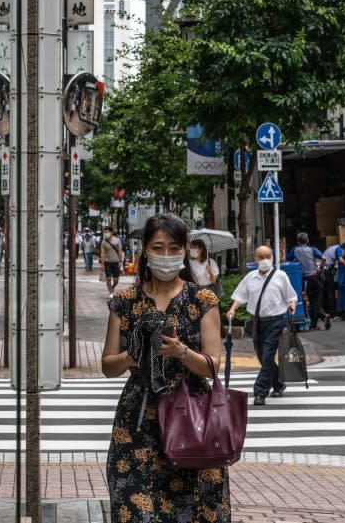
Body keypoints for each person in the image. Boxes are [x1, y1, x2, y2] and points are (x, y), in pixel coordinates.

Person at [101, 213, 230, 522]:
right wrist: (133, 356)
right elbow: (108, 365)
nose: (166, 255)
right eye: (158, 248)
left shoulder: (202, 299)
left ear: (185, 250)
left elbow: (212, 366)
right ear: (145, 250)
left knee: (195, 508)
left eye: (174, 248)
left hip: (192, 418)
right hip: (138, 421)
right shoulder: (125, 301)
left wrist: (180, 351)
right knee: (134, 509)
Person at [227, 245, 297, 406]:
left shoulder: (281, 276)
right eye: (261, 257)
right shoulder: (251, 277)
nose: (264, 260)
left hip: (275, 322)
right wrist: (232, 309)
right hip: (256, 322)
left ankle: (260, 392)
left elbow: (291, 296)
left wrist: (292, 304)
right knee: (261, 356)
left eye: (268, 256)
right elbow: (240, 296)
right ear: (255, 259)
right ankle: (279, 383)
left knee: (267, 356)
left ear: (272, 258)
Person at [286, 232, 328, 330]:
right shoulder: (312, 249)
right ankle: (318, 321)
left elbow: (287, 260)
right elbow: (324, 258)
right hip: (314, 277)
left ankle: (319, 319)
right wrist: (321, 268)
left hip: (303, 280)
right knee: (315, 301)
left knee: (307, 301)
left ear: (298, 241)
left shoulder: (294, 250)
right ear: (307, 240)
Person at [100, 225, 124, 299]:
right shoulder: (103, 242)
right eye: (105, 232)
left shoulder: (117, 240)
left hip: (116, 262)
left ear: (111, 232)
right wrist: (102, 264)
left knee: (116, 280)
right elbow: (102, 253)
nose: (105, 234)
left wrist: (120, 261)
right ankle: (111, 292)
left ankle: (112, 288)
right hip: (107, 262)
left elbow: (120, 251)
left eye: (107, 232)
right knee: (108, 278)